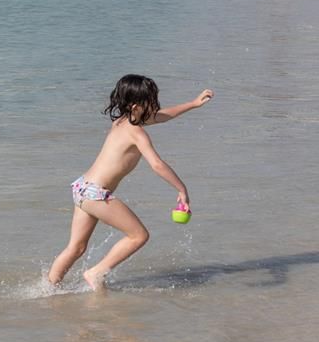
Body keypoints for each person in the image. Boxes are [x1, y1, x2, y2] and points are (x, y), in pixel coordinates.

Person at [47, 75, 214, 290]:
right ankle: (96, 273)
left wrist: (192, 104)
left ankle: (48, 290)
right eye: (151, 101)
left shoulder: (122, 122)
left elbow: (163, 116)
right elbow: (156, 164)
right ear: (136, 106)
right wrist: (182, 189)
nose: (155, 106)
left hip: (82, 187)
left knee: (76, 248)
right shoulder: (137, 132)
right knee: (139, 235)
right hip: (96, 193)